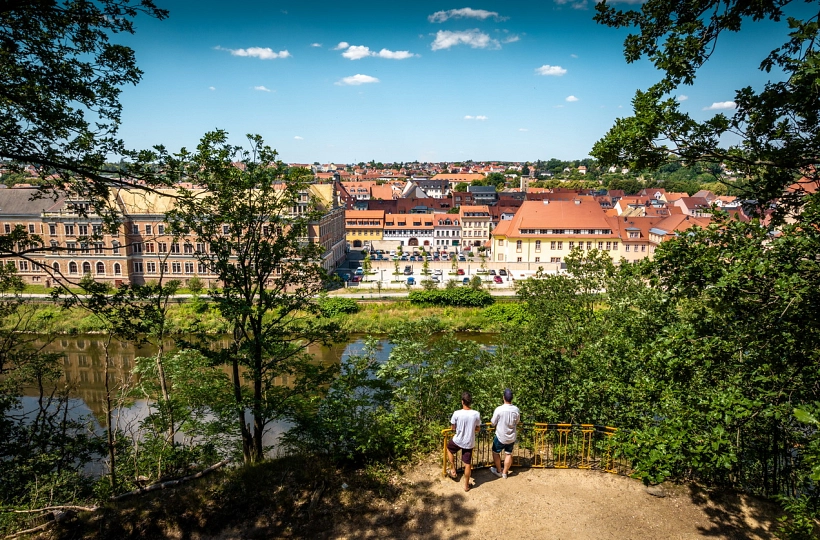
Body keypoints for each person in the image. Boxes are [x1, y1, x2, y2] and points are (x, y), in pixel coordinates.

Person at [446, 391, 482, 492]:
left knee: (449, 449)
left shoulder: (457, 413)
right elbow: (478, 428)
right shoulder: (476, 414)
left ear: (462, 402)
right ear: (470, 402)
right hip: (469, 441)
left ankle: (453, 469)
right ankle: (466, 486)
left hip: (458, 439)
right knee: (467, 464)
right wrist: (471, 429)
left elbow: (453, 428)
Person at [490, 388, 520, 479]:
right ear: (512, 398)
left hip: (500, 436)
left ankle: (499, 470)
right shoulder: (516, 409)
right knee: (508, 454)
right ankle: (504, 473)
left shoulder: (499, 409)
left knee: (495, 452)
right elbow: (517, 421)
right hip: (511, 436)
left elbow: (493, 422)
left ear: (503, 398)